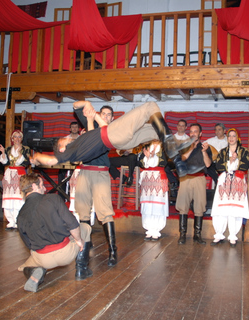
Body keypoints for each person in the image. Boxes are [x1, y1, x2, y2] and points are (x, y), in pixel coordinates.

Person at [31, 101, 192, 167]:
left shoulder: (81, 143)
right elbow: (51, 160)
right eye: (63, 140)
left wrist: (89, 112)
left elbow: (76, 105)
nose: (67, 137)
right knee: (150, 106)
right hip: (113, 135)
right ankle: (172, 147)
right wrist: (36, 156)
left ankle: (179, 162)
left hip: (118, 142)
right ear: (61, 149)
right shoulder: (71, 152)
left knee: (155, 129)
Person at [17, 173, 92, 292]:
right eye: (42, 185)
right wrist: (78, 240)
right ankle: (81, 270)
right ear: (34, 186)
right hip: (64, 253)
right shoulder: (53, 198)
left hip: (42, 258)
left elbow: (29, 244)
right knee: (86, 227)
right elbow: (73, 224)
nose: (45, 188)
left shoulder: (20, 214)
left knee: (25, 266)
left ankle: (34, 271)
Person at [74, 104, 119, 266]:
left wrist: (92, 120)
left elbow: (96, 138)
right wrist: (86, 104)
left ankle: (112, 250)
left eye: (108, 115)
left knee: (105, 212)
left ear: (112, 118)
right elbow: (75, 105)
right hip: (85, 171)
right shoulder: (89, 127)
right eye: (103, 114)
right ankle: (85, 246)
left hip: (100, 173)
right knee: (83, 211)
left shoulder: (111, 132)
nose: (106, 116)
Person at [210, 128, 249, 247]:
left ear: (237, 137)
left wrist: (235, 162)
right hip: (224, 181)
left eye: (233, 136)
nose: (231, 138)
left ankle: (233, 235)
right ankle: (219, 234)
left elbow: (246, 165)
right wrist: (230, 162)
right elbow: (218, 165)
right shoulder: (222, 151)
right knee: (221, 209)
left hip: (237, 180)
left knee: (235, 209)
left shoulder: (244, 151)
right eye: (229, 136)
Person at [176, 123, 212, 245]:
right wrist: (192, 147)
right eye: (191, 131)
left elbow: (208, 164)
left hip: (199, 178)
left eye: (195, 131)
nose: (192, 134)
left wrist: (203, 151)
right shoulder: (184, 146)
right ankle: (182, 235)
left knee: (199, 207)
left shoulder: (206, 147)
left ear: (200, 134)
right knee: (183, 206)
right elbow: (182, 159)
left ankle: (197, 235)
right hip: (186, 178)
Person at [0, 130, 31, 231]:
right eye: (15, 137)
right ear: (12, 139)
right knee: (9, 197)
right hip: (10, 175)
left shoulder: (26, 149)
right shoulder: (8, 149)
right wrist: (3, 152)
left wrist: (20, 153)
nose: (17, 139)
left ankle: (18, 220)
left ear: (21, 138)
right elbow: (5, 162)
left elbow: (26, 162)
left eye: (19, 137)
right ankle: (10, 221)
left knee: (19, 198)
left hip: (20, 174)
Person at [138, 140, 169, 241]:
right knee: (147, 204)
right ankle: (148, 229)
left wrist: (153, 156)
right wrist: (147, 157)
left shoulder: (163, 149)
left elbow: (164, 162)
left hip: (158, 178)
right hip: (147, 179)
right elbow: (140, 163)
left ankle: (156, 229)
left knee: (157, 205)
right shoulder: (146, 147)